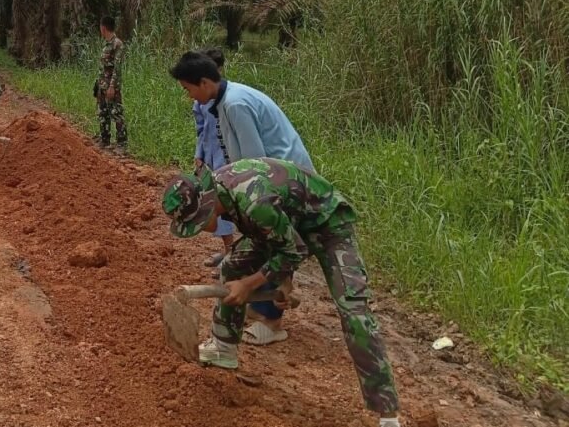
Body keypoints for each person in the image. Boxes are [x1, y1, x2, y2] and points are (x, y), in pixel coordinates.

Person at [162, 161, 401, 427]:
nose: (197, 229)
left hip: (327, 224)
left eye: (196, 223)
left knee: (354, 310)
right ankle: (223, 347)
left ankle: (387, 415)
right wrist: (283, 283)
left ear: (206, 206)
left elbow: (292, 250)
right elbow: (279, 236)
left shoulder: (253, 201)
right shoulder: (222, 193)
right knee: (233, 265)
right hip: (289, 225)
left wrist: (249, 285)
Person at [170, 50, 313, 345]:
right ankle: (258, 303)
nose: (189, 97)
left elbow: (254, 160)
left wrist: (236, 196)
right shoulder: (223, 101)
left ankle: (271, 322)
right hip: (271, 180)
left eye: (188, 89)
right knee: (253, 246)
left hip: (283, 183)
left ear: (205, 82)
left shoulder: (235, 105)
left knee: (270, 242)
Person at [192, 48, 233, 272]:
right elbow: (201, 128)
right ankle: (228, 249)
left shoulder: (227, 98)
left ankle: (232, 254)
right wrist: (199, 154)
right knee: (216, 202)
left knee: (229, 203)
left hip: (228, 158)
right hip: (210, 155)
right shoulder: (200, 99)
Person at [94, 16, 127, 152]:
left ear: (103, 28)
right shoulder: (106, 44)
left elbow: (117, 69)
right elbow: (103, 68)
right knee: (103, 113)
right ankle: (105, 139)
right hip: (102, 85)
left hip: (111, 86)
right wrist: (97, 86)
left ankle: (122, 144)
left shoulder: (117, 44)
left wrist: (112, 86)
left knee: (116, 113)